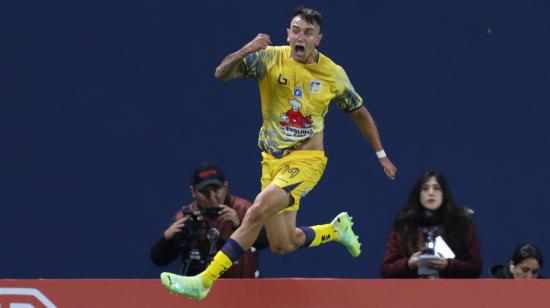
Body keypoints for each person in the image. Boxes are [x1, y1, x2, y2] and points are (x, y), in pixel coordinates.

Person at [161, 7, 397, 300]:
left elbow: (359, 113)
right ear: (287, 33)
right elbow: (221, 74)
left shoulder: (333, 74)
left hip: (307, 161)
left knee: (257, 211)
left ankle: (203, 281)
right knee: (283, 243)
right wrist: (248, 48)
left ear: (318, 39)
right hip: (271, 161)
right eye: (295, 30)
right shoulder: (270, 57)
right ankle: (336, 231)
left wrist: (381, 154)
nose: (300, 37)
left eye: (308, 33)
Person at [150, 162, 264, 278]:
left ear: (225, 187)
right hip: (199, 291)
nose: (212, 196)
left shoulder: (245, 210)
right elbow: (159, 260)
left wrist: (240, 225)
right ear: (193, 192)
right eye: (205, 192)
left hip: (242, 287)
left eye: (216, 190)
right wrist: (167, 238)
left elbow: (266, 242)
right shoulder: (185, 217)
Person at [380, 171, 482, 278]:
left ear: (444, 194)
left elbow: (475, 268)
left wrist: (448, 265)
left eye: (436, 188)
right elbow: (386, 270)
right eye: (425, 188)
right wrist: (408, 265)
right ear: (418, 194)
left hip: (452, 291)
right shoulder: (404, 227)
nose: (431, 193)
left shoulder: (462, 225)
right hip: (413, 292)